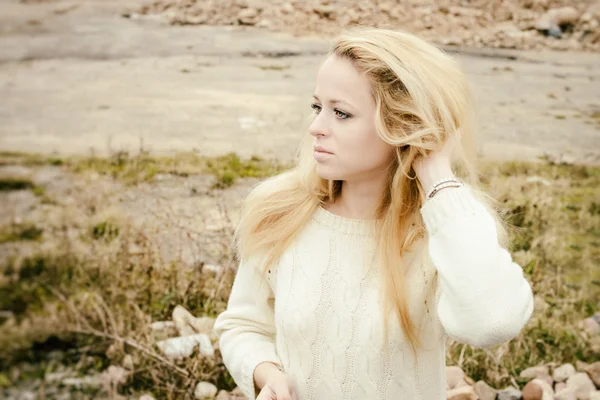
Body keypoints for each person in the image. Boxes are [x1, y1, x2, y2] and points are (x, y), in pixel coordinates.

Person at [213, 27, 534, 400]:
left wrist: (438, 179)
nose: (316, 128)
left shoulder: (444, 229)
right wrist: (265, 374)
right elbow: (242, 325)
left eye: (342, 114)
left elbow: (491, 322)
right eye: (317, 107)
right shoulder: (280, 212)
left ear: (402, 125)